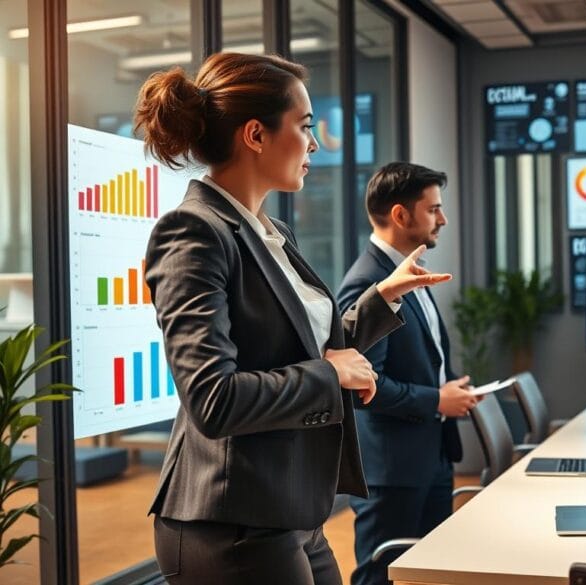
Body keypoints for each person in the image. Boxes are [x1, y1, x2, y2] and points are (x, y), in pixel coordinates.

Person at [137, 53, 451, 585]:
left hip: (292, 507)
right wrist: (331, 375)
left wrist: (382, 300)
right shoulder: (193, 232)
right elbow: (213, 399)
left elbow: (306, 353)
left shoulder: (273, 232)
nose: (315, 144)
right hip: (231, 518)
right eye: (306, 127)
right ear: (256, 135)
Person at [337, 162, 478, 585]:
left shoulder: (407, 271)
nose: (443, 219)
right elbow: (367, 386)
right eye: (433, 209)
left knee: (426, 573)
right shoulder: (367, 282)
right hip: (393, 470)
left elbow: (427, 355)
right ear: (401, 215)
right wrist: (437, 400)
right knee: (380, 576)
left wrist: (450, 388)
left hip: (430, 455)